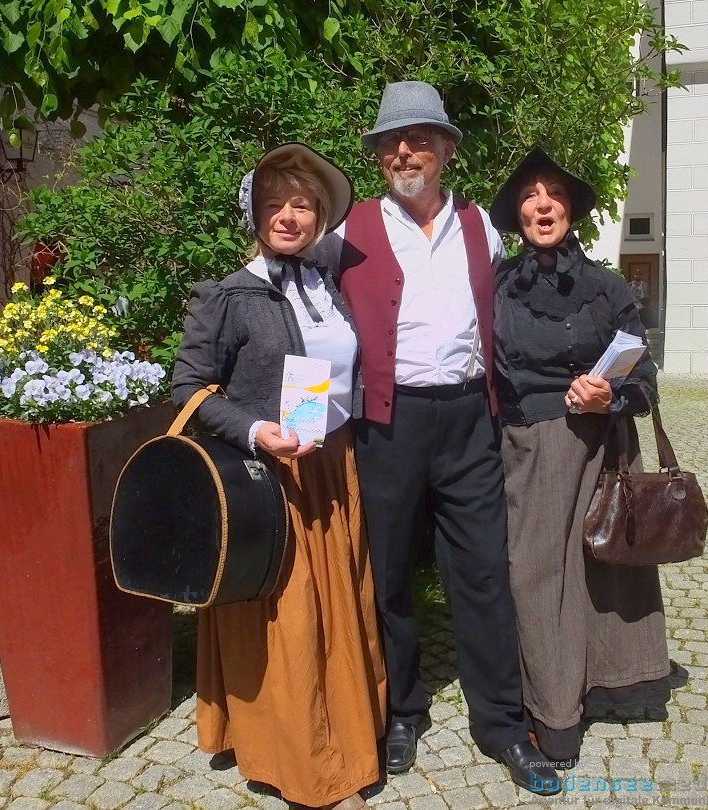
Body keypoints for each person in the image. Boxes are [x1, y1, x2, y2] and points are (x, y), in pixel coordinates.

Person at [315, 82, 559, 796]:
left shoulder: (484, 227)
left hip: (467, 419)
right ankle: (401, 711)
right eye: (391, 141)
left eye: (419, 138)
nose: (402, 151)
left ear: (446, 149)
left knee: (483, 570)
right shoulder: (348, 230)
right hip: (387, 423)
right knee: (387, 573)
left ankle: (503, 725)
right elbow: (306, 309)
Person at [172, 143, 387, 810]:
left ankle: (351, 734)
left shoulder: (326, 285)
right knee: (290, 627)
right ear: (252, 213)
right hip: (271, 480)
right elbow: (190, 388)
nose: (288, 216)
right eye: (274, 204)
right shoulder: (227, 296)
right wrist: (256, 430)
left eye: (301, 204)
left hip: (333, 465)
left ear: (318, 215)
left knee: (338, 612)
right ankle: (302, 764)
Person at [488, 146, 671, 768]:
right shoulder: (497, 289)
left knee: (605, 565)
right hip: (533, 447)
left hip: (605, 444)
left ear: (571, 210)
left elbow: (644, 370)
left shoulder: (606, 286)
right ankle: (554, 714)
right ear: (518, 214)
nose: (544, 205)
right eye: (531, 197)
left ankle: (609, 684)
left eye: (555, 195)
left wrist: (611, 392)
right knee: (538, 575)